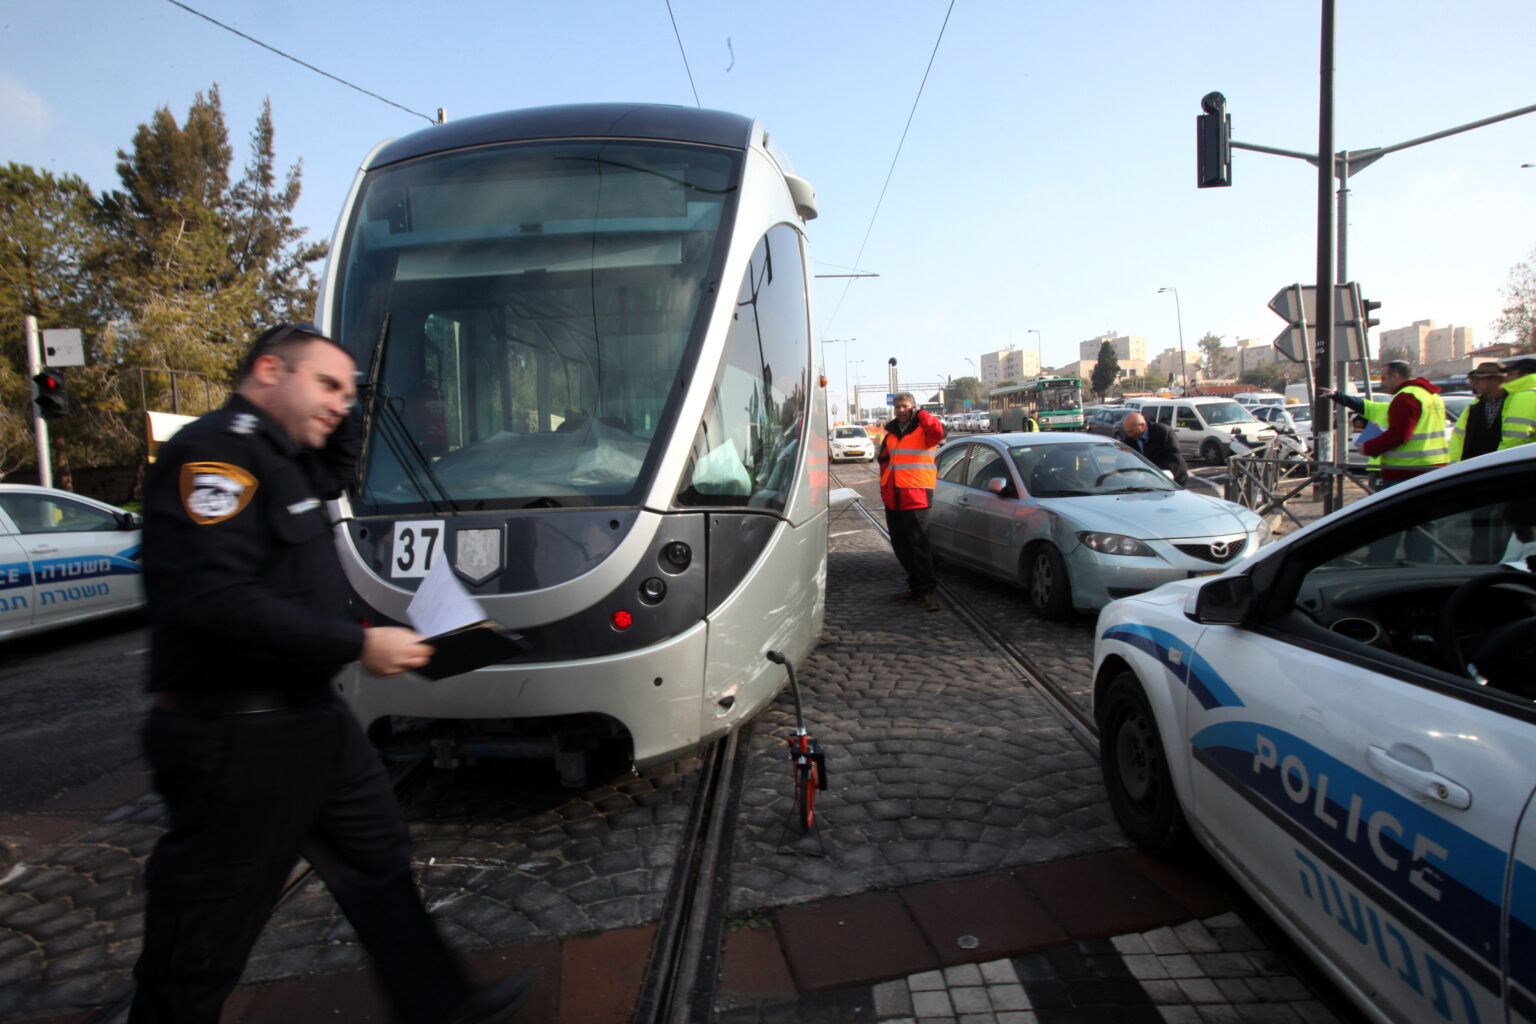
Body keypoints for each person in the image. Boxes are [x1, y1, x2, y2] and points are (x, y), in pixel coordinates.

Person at [131, 324, 532, 1024]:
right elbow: (214, 601)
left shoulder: (285, 459)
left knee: (378, 861)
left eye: (345, 395)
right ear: (266, 371)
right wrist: (358, 642)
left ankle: (445, 1008)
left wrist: (352, 393)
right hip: (235, 735)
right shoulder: (215, 456)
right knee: (203, 934)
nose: (336, 406)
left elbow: (337, 472)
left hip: (310, 723)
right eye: (324, 385)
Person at [1324, 360, 1447, 489]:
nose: (1382, 383)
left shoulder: (1406, 397)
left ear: (1396, 376)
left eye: (1384, 378)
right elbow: (1366, 406)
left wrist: (1368, 447)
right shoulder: (1431, 396)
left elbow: (1399, 435)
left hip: (1407, 470)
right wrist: (1338, 396)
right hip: (1434, 466)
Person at [878, 392, 945, 612]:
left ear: (913, 407)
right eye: (897, 407)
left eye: (905, 406)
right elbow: (885, 462)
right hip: (894, 497)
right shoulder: (891, 433)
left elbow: (938, 431)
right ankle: (916, 586)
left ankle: (928, 592)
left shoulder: (924, 429)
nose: (900, 410)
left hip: (916, 495)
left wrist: (923, 414)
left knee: (920, 546)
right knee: (900, 546)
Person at [1449, 361, 1509, 462]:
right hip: (1475, 467)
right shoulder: (1474, 407)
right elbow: (1460, 439)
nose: (1475, 383)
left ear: (1496, 380)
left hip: (1505, 466)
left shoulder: (1513, 403)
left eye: (1480, 379)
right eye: (1474, 379)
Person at [1119, 412, 1189, 485]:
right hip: (1147, 480)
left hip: (1173, 479)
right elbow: (1125, 457)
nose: (1129, 435)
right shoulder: (1131, 437)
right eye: (1126, 431)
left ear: (1142, 426)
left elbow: (1174, 457)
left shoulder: (1162, 432)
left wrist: (1156, 476)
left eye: (1131, 431)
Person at [1499, 356, 1536, 449]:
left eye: (1510, 374)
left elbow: (1515, 440)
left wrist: (1502, 459)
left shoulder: (1525, 396)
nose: (1505, 378)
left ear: (1525, 374)